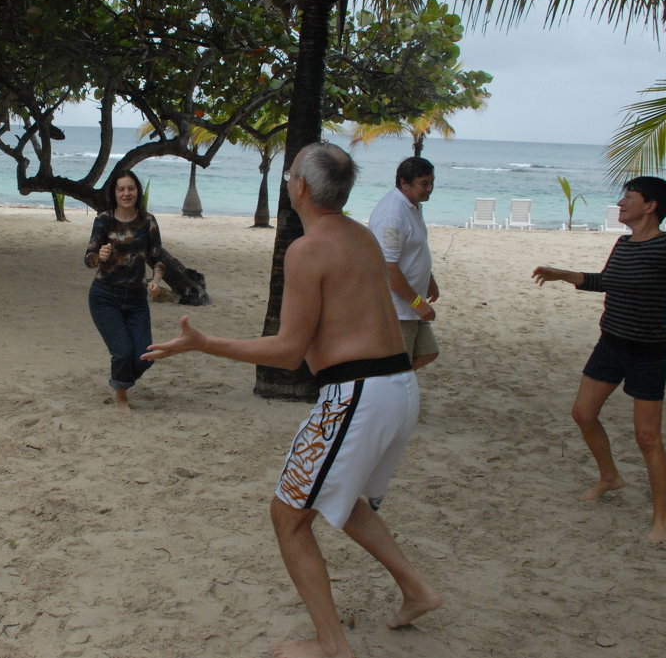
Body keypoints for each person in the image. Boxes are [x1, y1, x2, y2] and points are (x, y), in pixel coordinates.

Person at [145, 144, 440, 658]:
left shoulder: (307, 249)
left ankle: (331, 645)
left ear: (300, 186)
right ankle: (417, 590)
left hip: (358, 396)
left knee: (288, 517)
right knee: (343, 500)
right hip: (397, 387)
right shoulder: (362, 236)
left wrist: (204, 343)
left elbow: (286, 353)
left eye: (288, 173)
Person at [532, 176, 666, 543]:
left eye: (628, 198)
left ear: (650, 206)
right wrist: (564, 275)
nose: (621, 203)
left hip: (648, 351)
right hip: (611, 343)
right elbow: (607, 281)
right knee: (583, 413)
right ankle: (610, 477)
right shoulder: (624, 243)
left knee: (647, 438)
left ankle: (662, 518)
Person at [84, 170, 166, 414]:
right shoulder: (104, 220)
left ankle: (121, 380)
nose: (126, 193)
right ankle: (121, 397)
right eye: (121, 189)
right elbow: (88, 257)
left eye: (130, 188)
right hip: (105, 296)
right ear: (114, 193)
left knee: (145, 356)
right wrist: (99, 256)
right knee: (122, 352)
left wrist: (156, 280)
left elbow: (158, 258)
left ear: (137, 191)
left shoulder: (148, 221)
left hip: (137, 300)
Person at [367, 157, 439, 369]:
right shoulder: (393, 214)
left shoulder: (413, 206)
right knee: (397, 367)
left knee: (428, 352)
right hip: (397, 308)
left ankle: (398, 389)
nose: (430, 188)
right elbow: (387, 267)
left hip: (412, 306)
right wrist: (417, 303)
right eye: (424, 183)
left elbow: (416, 248)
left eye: (432, 182)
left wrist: (430, 279)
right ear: (404, 183)